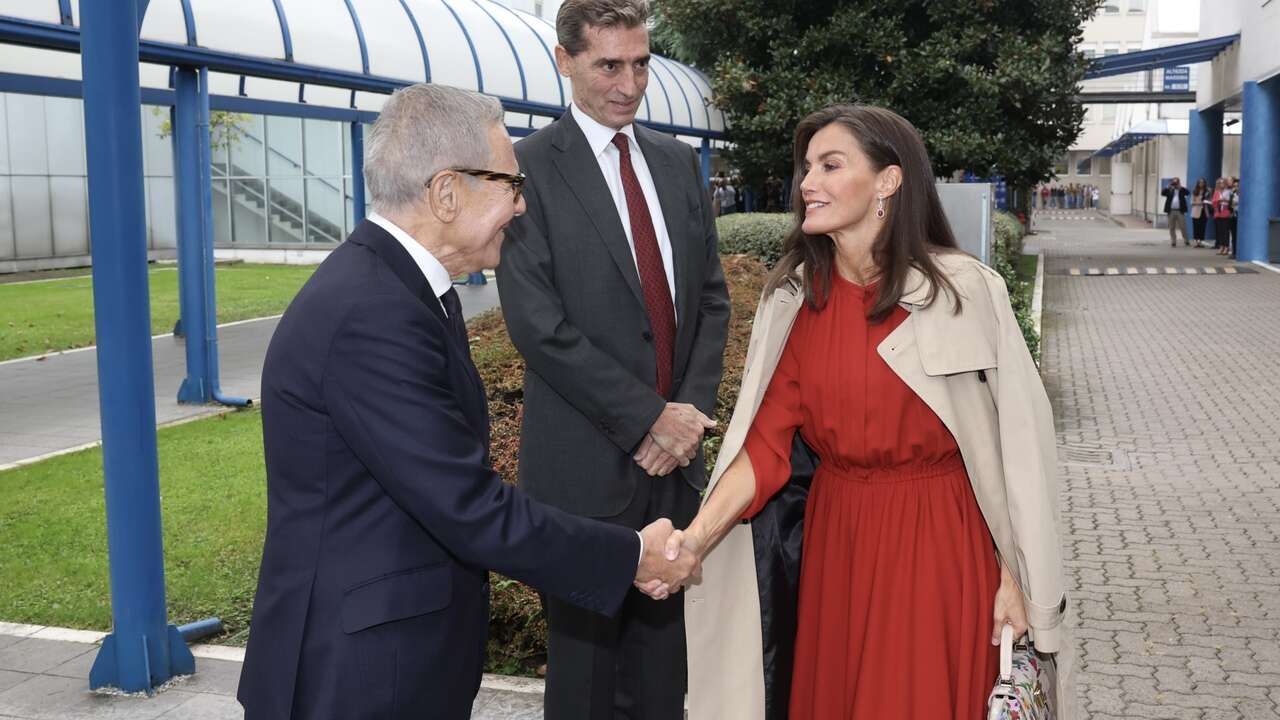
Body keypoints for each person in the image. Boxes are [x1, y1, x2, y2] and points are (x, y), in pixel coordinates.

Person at [237, 83, 698, 720]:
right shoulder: (373, 313)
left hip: (390, 654)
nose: (520, 205)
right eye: (511, 185)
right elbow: (467, 506)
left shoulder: (404, 288)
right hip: (362, 673)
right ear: (448, 193)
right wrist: (630, 556)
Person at [674, 104, 1073, 718]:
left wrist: (1017, 577)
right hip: (839, 546)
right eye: (806, 168)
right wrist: (694, 543)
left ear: (888, 181)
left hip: (941, 545)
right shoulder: (796, 300)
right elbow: (765, 448)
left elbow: (1022, 452)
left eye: (831, 165)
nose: (807, 183)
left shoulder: (965, 292)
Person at [496, 0, 732, 717]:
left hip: (675, 473)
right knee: (585, 683)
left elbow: (711, 299)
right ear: (564, 61)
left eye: (640, 64)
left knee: (663, 680)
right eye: (608, 65)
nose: (629, 85)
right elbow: (539, 327)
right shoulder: (522, 170)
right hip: (582, 478)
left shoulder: (672, 160)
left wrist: (685, 418)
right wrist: (646, 421)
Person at [1162, 177, 1191, 247]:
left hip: (1180, 211)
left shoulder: (1181, 190)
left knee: (1183, 226)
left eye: (1176, 183)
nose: (1175, 185)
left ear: (1179, 183)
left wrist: (1180, 187)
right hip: (1171, 210)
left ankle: (1186, 240)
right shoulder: (1170, 190)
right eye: (1174, 183)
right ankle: (1173, 241)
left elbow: (1188, 193)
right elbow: (1162, 193)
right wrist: (1168, 187)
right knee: (1171, 227)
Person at [1212, 178, 1233, 256]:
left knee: (1225, 231)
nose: (1221, 185)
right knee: (1220, 231)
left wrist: (1225, 200)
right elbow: (1213, 202)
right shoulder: (1216, 192)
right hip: (1218, 213)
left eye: (1223, 183)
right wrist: (1218, 201)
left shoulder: (1229, 192)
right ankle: (1221, 246)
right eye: (1220, 183)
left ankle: (1226, 247)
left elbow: (1231, 202)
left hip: (1225, 213)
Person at [1191, 177, 1209, 247]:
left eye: (1202, 182)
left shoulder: (1207, 191)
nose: (1201, 184)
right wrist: (1199, 203)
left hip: (1204, 210)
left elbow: (1209, 200)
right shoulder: (1195, 191)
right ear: (1198, 183)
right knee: (1196, 226)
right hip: (1196, 211)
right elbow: (1192, 202)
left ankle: (1201, 241)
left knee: (1203, 227)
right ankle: (1197, 241)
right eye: (1200, 182)